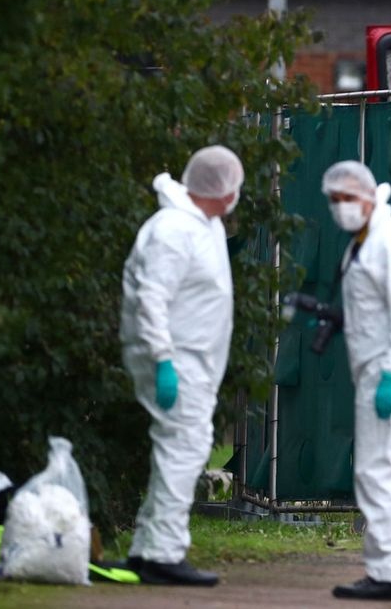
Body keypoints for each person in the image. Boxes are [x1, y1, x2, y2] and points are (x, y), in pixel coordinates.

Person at [120, 145, 245, 586]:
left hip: (191, 362)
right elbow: (151, 297)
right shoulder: (173, 230)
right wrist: (162, 360)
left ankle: (146, 549)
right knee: (184, 450)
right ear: (222, 188)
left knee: (177, 452)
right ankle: (163, 555)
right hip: (175, 361)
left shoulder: (200, 225)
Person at [322, 161, 391, 602]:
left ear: (369, 197)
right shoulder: (368, 242)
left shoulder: (389, 242)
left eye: (347, 199)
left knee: (378, 471)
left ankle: (387, 571)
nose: (341, 209)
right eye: (334, 201)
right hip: (386, 366)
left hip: (390, 369)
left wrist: (389, 375)